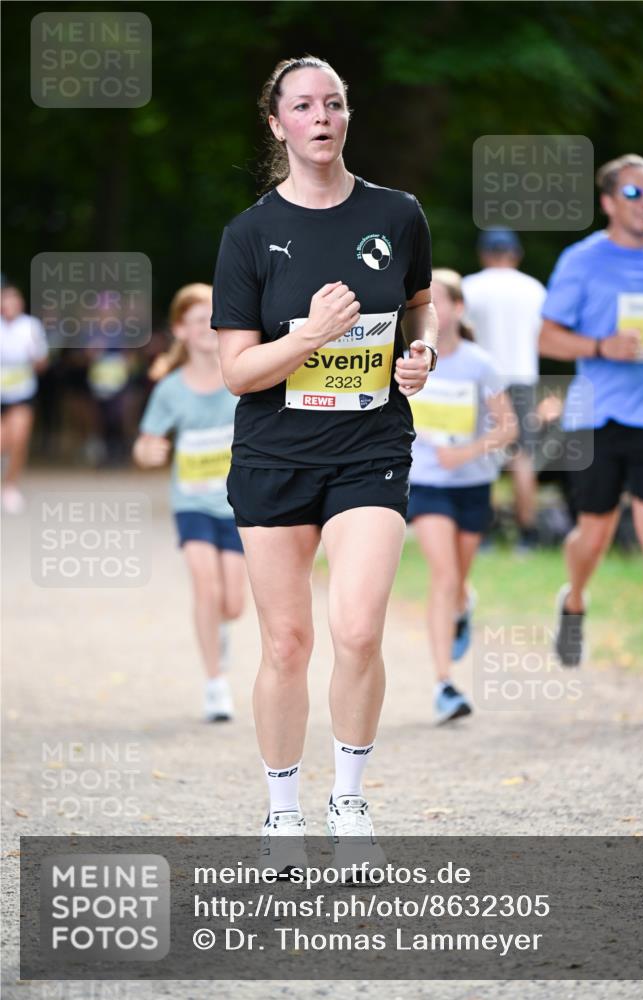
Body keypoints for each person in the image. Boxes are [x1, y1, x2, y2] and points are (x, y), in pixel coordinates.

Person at [212, 55, 435, 860]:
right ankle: (281, 812)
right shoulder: (249, 234)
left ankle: (348, 802)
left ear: (346, 117)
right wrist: (307, 336)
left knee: (358, 628)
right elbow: (235, 370)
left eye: (333, 103)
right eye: (302, 105)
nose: (321, 116)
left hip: (369, 447)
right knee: (285, 644)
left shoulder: (397, 213)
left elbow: (419, 303)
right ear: (277, 125)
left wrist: (422, 353)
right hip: (274, 454)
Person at [539, 153, 643, 706]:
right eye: (635, 194)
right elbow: (547, 338)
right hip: (599, 415)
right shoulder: (582, 260)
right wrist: (600, 347)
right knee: (593, 533)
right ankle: (575, 598)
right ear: (609, 202)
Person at [408, 270, 517, 723]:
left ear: (458, 309)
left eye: (443, 302)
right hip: (426, 483)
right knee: (444, 574)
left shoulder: (480, 364)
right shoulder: (409, 358)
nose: (435, 310)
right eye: (426, 303)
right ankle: (443, 683)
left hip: (472, 482)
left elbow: (508, 426)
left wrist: (468, 452)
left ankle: (461, 607)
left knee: (457, 580)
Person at [133, 283, 246, 721]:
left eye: (213, 317)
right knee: (206, 584)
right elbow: (145, 445)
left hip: (237, 506)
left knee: (233, 603)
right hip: (192, 504)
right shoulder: (171, 389)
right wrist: (150, 452)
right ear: (180, 328)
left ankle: (218, 630)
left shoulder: (241, 374)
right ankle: (215, 684)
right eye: (197, 319)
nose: (207, 327)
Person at [463, 229, 546, 551]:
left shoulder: (471, 288)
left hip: (484, 380)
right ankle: (527, 534)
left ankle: (481, 531)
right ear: (516, 253)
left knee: (482, 452)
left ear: (484, 254)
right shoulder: (534, 289)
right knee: (522, 457)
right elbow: (544, 336)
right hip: (522, 378)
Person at [0, 283, 49, 514]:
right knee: (2, 442)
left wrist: (35, 356)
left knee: (18, 439)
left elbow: (42, 364)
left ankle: (10, 487)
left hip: (22, 394)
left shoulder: (31, 327)